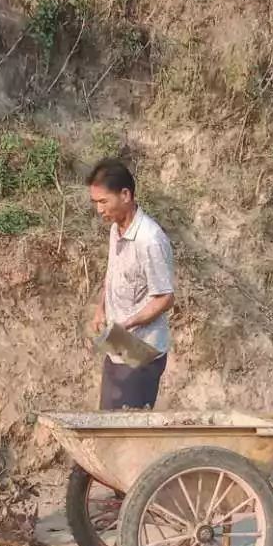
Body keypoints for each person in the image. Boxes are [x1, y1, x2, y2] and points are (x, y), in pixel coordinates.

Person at [87, 158, 176, 411]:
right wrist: (100, 309)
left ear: (125, 195)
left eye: (104, 201)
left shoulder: (149, 240)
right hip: (119, 343)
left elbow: (165, 298)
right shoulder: (117, 229)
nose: (99, 210)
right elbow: (113, 272)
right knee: (108, 421)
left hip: (141, 350)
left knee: (126, 433)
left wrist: (128, 323)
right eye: (96, 203)